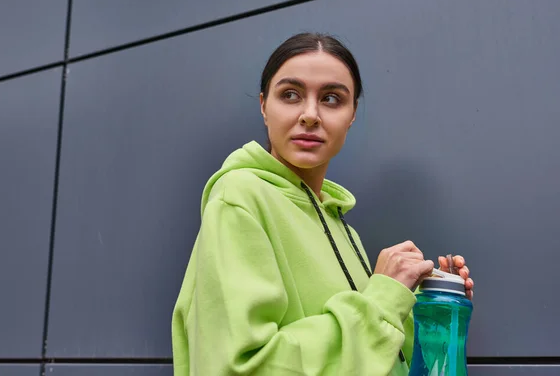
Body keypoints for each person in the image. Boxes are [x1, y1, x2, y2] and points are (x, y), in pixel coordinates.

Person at [172, 32, 474, 375]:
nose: (310, 115)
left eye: (331, 99)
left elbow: (373, 359)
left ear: (352, 114)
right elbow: (239, 367)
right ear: (263, 106)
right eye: (290, 95)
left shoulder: (344, 231)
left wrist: (432, 306)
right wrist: (382, 299)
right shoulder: (239, 199)